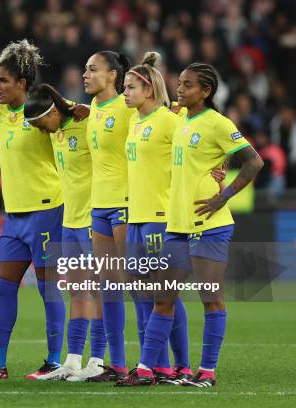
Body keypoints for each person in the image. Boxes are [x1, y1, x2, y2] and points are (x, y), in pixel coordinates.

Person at [125, 63, 263, 387]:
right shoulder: (181, 119)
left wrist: (224, 195)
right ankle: (146, 369)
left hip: (209, 223)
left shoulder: (217, 122)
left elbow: (254, 161)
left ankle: (207, 371)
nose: (179, 89)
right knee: (163, 297)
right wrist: (221, 161)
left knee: (209, 298)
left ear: (206, 91)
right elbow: (202, 154)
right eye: (179, 83)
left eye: (188, 85)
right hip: (176, 223)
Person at [0, 40, 66, 381]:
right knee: (5, 287)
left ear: (22, 83)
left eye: (4, 81)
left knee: (48, 287)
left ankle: (53, 362)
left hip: (46, 211)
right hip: (14, 217)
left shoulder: (43, 113)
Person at [116, 52, 192, 385]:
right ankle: (161, 365)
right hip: (136, 216)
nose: (125, 93)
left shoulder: (169, 120)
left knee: (163, 294)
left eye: (130, 87)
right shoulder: (135, 121)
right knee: (143, 293)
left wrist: (217, 170)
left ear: (149, 89)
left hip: (161, 217)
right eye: (124, 87)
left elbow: (198, 148)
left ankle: (180, 365)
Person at [22, 83, 107, 381]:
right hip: (69, 220)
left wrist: (92, 110)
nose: (39, 130)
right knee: (77, 292)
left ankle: (97, 359)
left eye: (40, 123)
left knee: (96, 291)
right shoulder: (58, 125)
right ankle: (72, 361)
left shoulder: (87, 123)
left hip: (93, 220)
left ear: (54, 112)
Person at [81, 50, 135, 382]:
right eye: (84, 69)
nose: (85, 74)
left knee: (144, 286)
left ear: (113, 75)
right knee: (108, 288)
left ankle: (160, 364)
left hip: (126, 204)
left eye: (92, 69)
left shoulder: (128, 108)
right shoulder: (91, 111)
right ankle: (116, 363)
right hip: (98, 207)